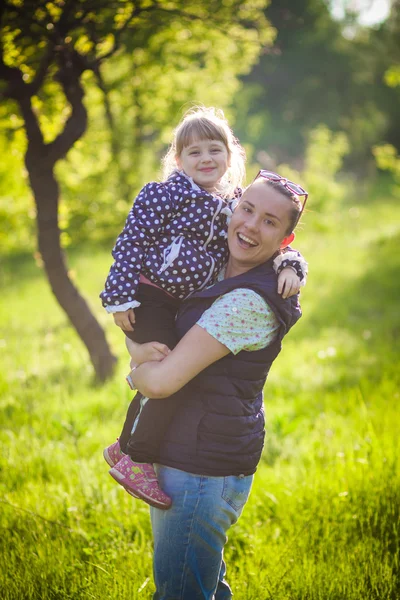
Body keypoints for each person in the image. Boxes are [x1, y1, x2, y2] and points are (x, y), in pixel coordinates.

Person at [100, 107, 308, 508]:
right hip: (153, 292)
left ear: (231, 157)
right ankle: (134, 454)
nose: (206, 159)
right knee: (160, 358)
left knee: (164, 367)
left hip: (208, 447)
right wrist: (120, 300)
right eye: (194, 152)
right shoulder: (166, 193)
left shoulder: (230, 201)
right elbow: (130, 243)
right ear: (177, 160)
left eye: (215, 150)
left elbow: (284, 243)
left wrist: (294, 265)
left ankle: (128, 450)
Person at [117, 172, 306, 599]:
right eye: (247, 209)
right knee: (201, 588)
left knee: (181, 593)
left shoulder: (249, 301)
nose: (251, 226)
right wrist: (135, 337)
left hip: (201, 467)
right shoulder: (212, 264)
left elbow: (162, 381)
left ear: (285, 241)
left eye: (270, 222)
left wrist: (135, 373)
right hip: (191, 453)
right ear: (232, 207)